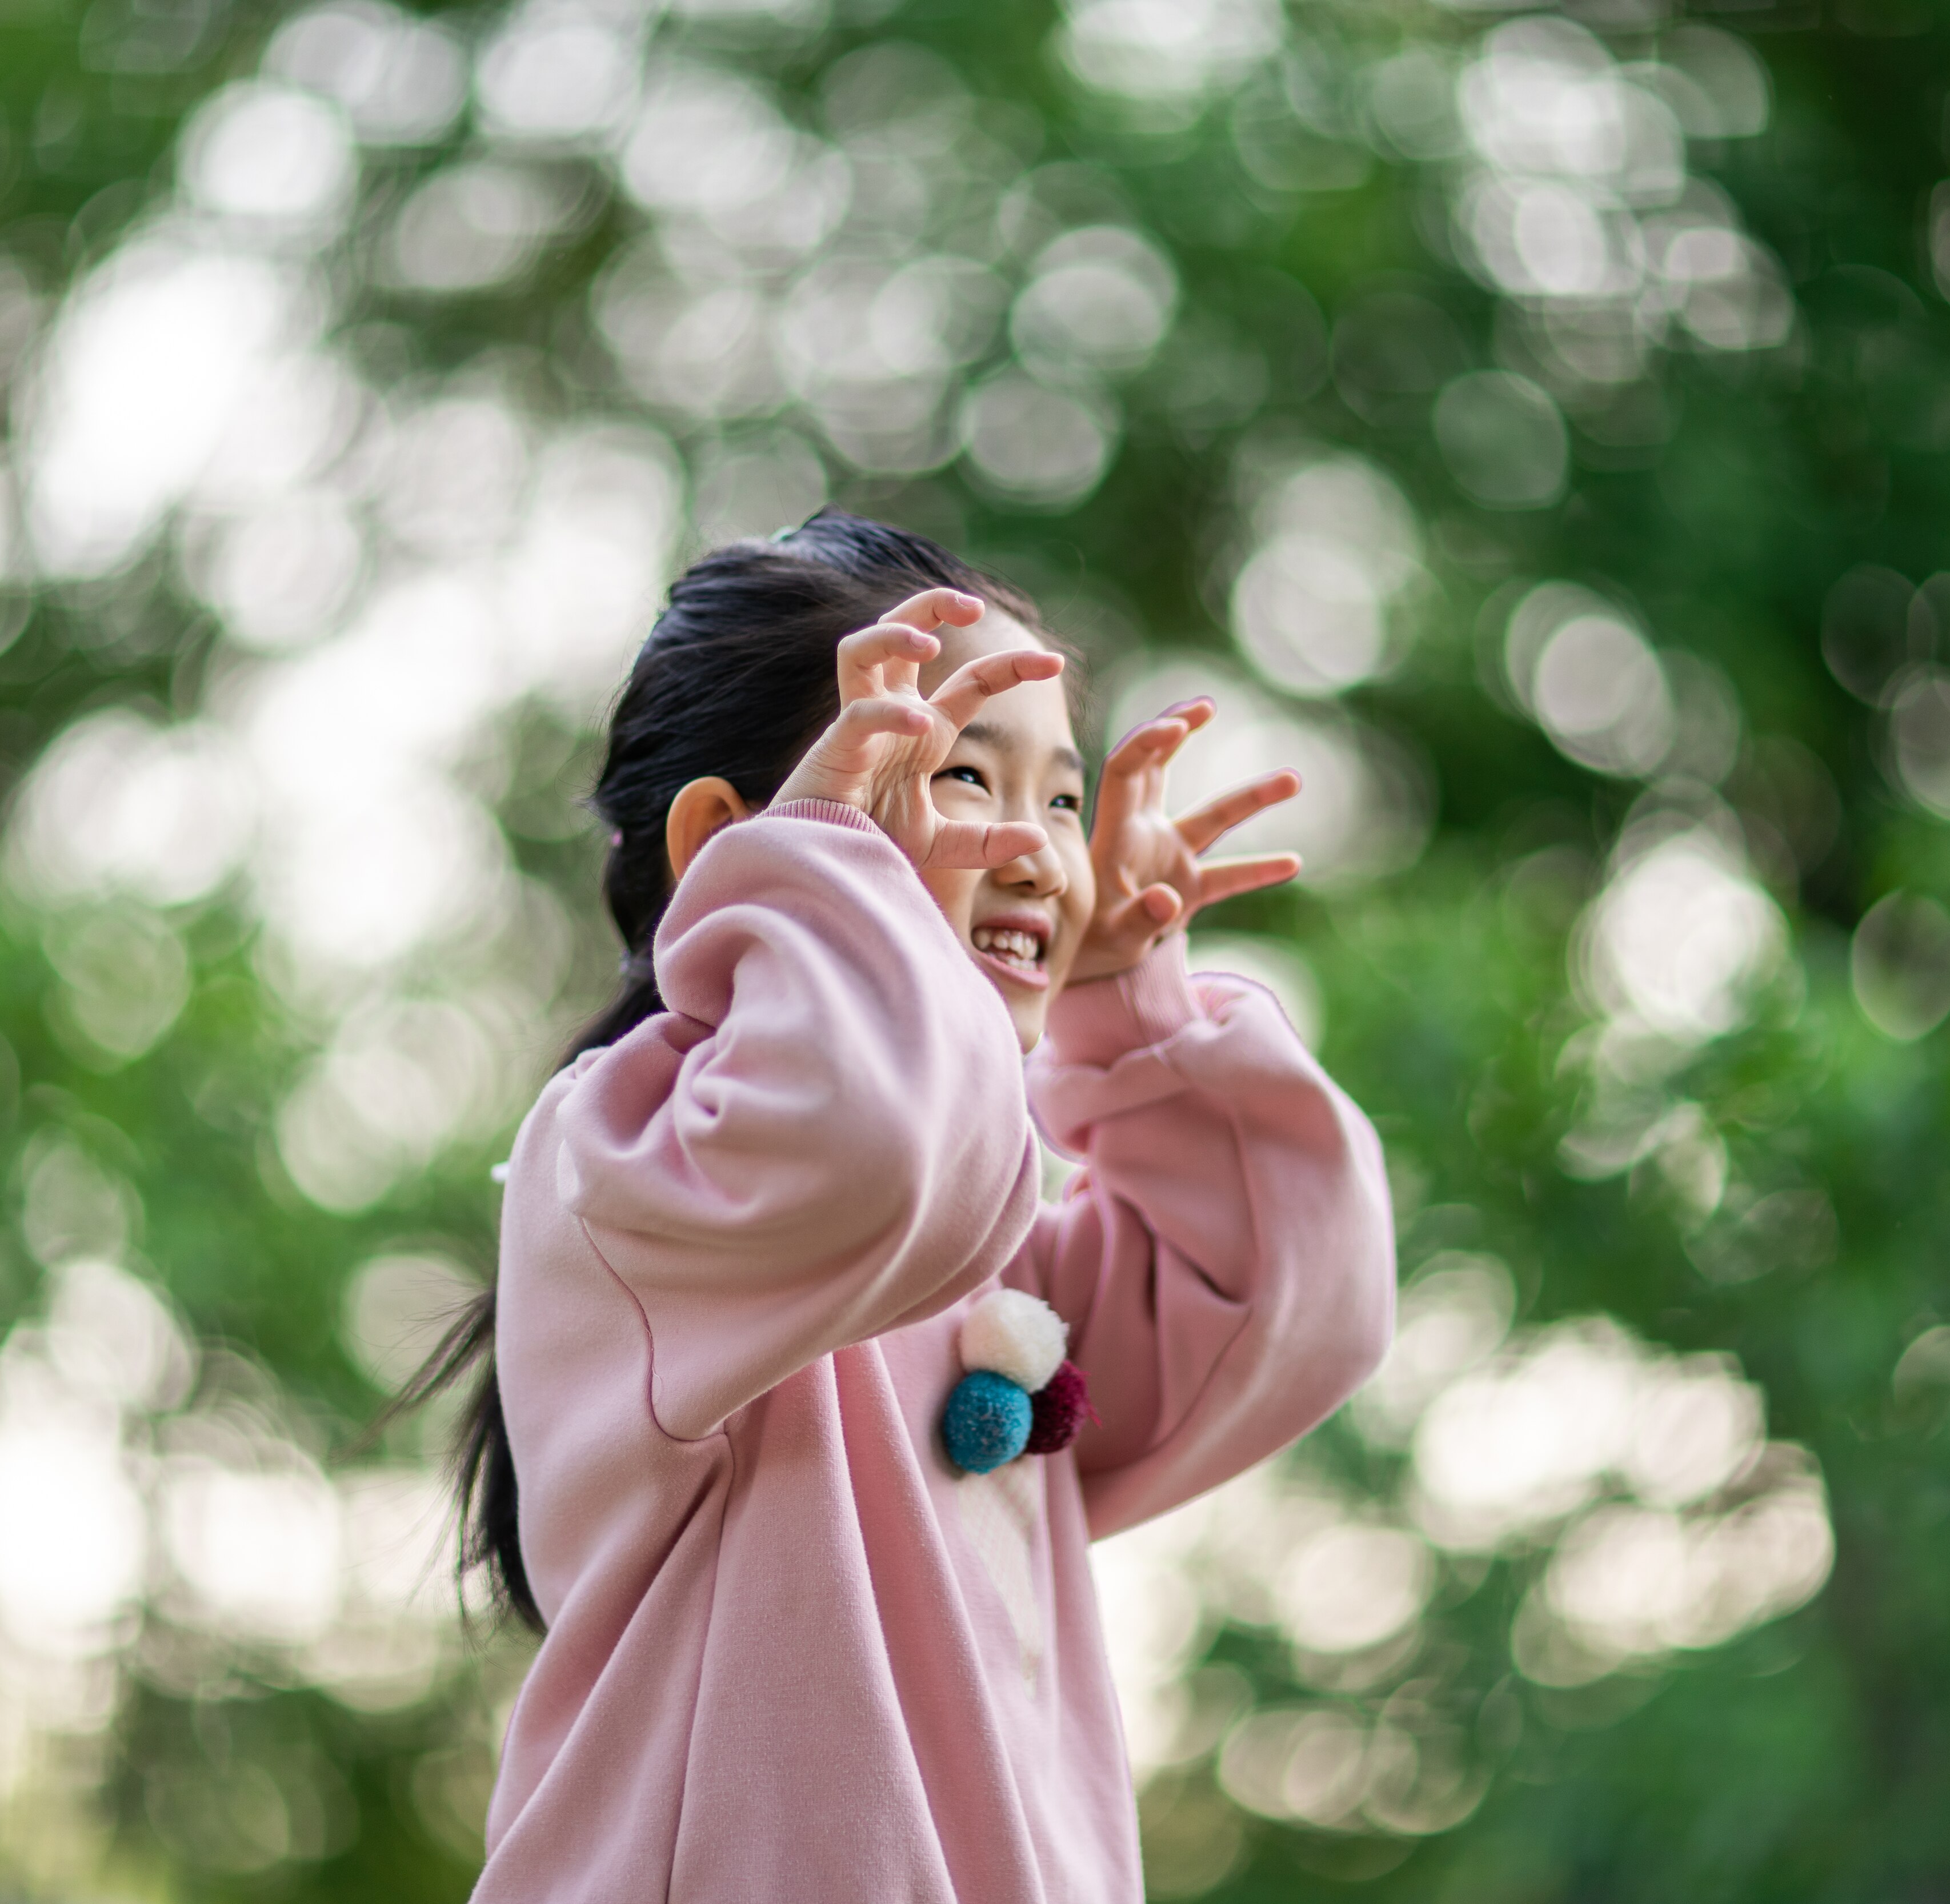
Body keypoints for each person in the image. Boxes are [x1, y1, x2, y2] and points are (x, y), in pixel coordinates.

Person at [403, 511, 1396, 1901]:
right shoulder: (633, 1166)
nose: (1043, 851)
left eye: (1061, 799)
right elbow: (868, 1142)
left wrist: (1134, 1015)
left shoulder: (981, 1258)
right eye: (955, 776)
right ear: (732, 850)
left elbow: (1288, 1297)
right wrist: (824, 877)